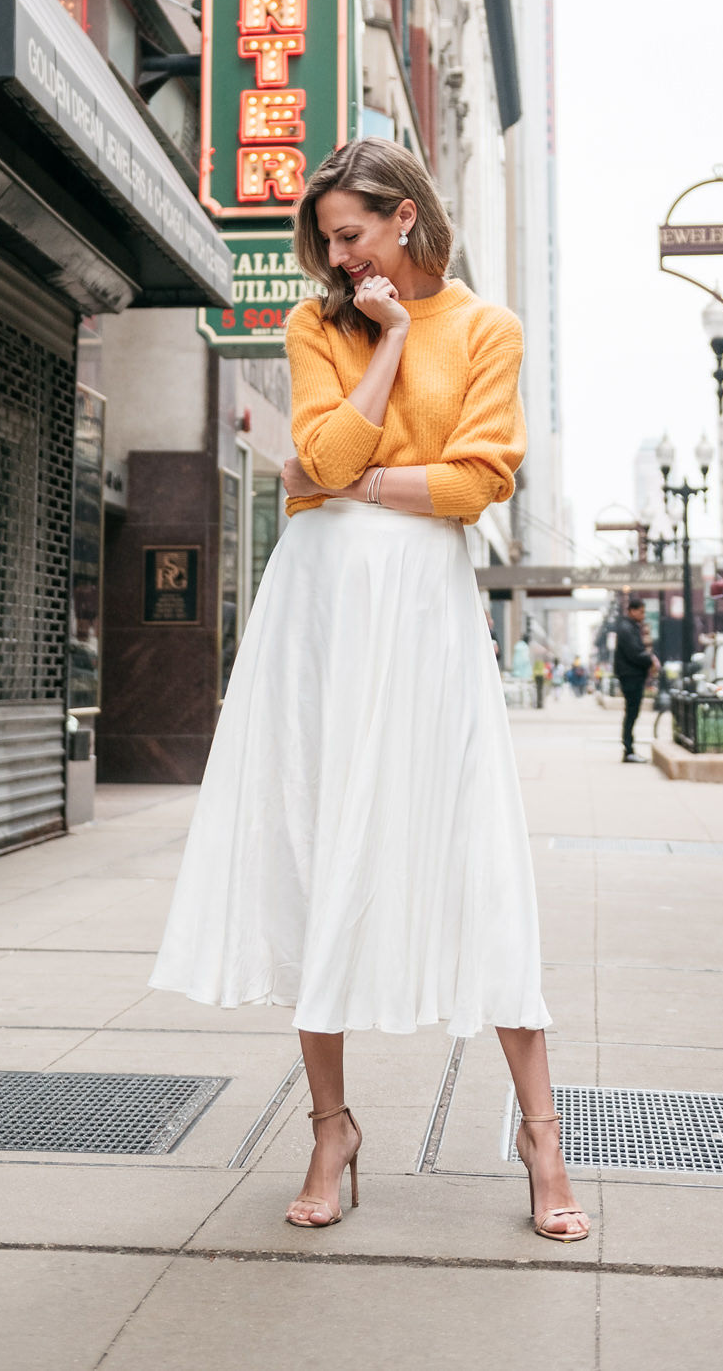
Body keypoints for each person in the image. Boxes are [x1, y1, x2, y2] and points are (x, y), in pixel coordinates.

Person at [149, 139, 587, 1243]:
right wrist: (386, 343)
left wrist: (346, 476)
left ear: (405, 217)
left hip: (425, 614)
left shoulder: (489, 327)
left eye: (351, 236)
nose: (336, 259)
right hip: (319, 611)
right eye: (327, 242)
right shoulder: (318, 323)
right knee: (314, 841)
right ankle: (331, 1128)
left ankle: (542, 1136)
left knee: (469, 849)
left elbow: (479, 481)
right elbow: (319, 451)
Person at [612, 593, 658, 763]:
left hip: (632, 675)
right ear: (631, 611)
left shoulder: (630, 627)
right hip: (631, 676)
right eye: (641, 612)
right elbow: (634, 653)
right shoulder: (626, 628)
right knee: (631, 713)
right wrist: (650, 660)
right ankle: (628, 749)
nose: (643, 615)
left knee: (632, 713)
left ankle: (629, 749)